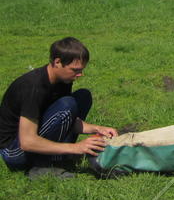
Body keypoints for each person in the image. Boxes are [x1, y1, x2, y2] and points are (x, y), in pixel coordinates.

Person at [0, 37, 118, 179]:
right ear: (57, 62)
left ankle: (58, 158)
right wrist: (76, 148)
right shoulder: (33, 87)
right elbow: (27, 142)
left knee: (83, 97)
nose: (80, 74)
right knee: (68, 104)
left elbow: (66, 119)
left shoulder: (63, 80)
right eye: (75, 70)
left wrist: (97, 128)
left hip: (33, 136)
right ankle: (41, 166)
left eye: (81, 70)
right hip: (14, 152)